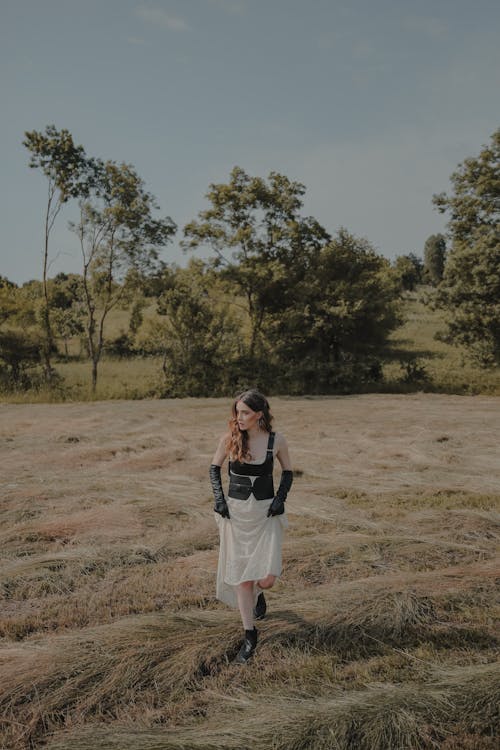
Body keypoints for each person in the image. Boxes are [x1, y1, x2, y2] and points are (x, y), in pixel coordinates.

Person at [209, 389, 293, 664]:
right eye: (237, 411)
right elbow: (214, 469)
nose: (239, 417)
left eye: (245, 412)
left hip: (266, 514)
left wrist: (280, 499)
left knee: (265, 580)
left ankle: (259, 595)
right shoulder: (229, 438)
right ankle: (250, 635)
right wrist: (220, 500)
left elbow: (288, 472)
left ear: (259, 414)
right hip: (236, 515)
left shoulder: (276, 440)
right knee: (243, 578)